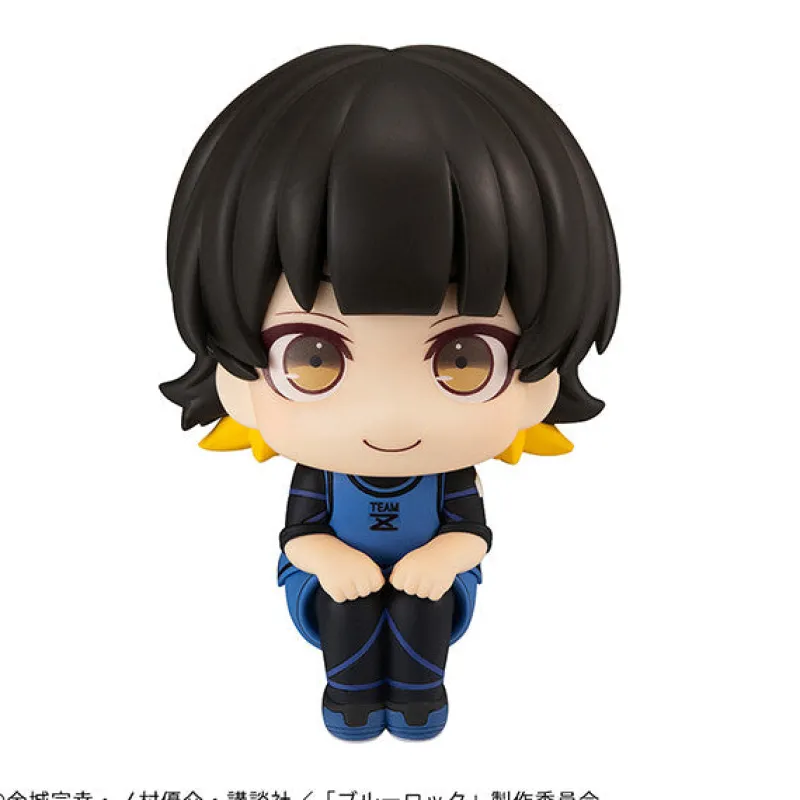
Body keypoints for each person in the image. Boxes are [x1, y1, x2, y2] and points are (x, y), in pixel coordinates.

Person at [160, 45, 620, 740]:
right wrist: (329, 559)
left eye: (465, 359)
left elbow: (470, 533)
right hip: (328, 584)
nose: (389, 416)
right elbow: (301, 535)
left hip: (432, 584)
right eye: (313, 358)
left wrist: (443, 557)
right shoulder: (322, 473)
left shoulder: (448, 476)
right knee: (345, 608)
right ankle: (348, 699)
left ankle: (417, 699)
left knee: (421, 607)